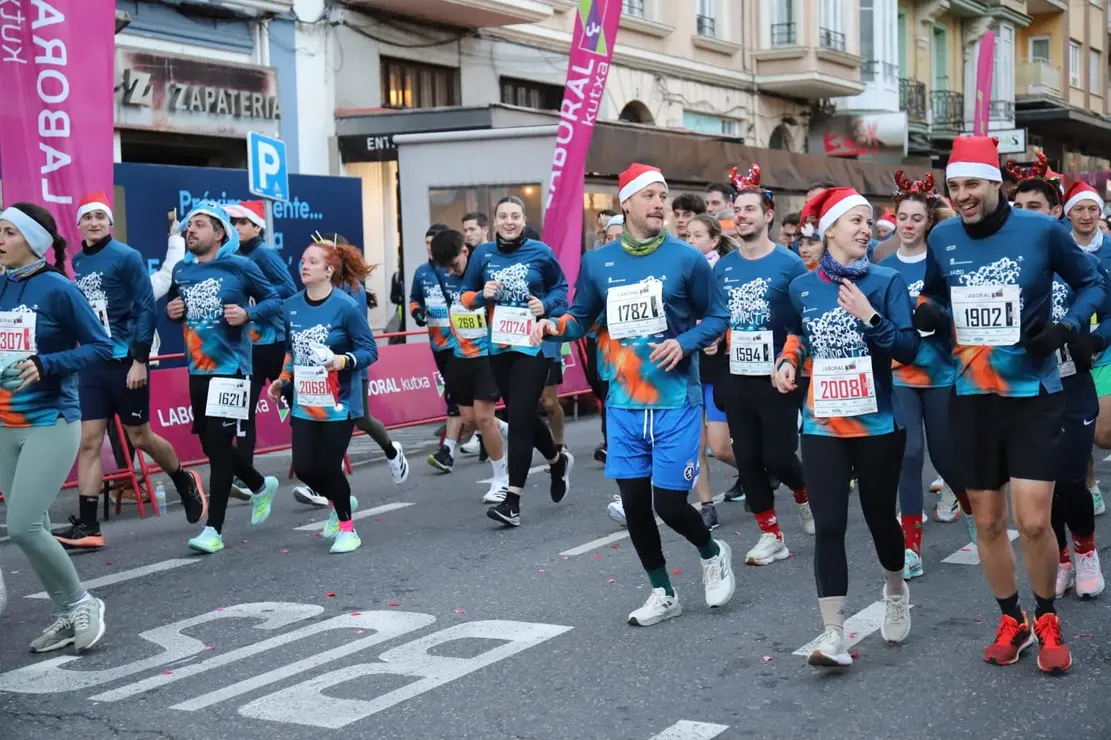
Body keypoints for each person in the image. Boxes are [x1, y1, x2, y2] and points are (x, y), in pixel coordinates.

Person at [916, 136, 1105, 673]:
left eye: (972, 184)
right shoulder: (943, 236)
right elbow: (932, 294)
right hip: (971, 395)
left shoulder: (1041, 230)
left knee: (1036, 521)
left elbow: (1092, 284)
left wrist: (1066, 328)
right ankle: (1012, 620)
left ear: (996, 184)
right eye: (954, 186)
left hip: (1032, 395)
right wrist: (928, 312)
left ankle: (1046, 616)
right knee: (988, 522)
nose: (962, 195)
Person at [533, 162, 735, 625]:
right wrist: (555, 326)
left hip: (675, 402)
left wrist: (685, 342)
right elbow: (581, 317)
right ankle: (663, 592)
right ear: (626, 203)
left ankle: (711, 552)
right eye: (650, 196)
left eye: (663, 196)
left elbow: (718, 316)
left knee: (669, 503)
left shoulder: (686, 259)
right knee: (636, 506)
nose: (660, 204)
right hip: (623, 405)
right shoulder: (597, 263)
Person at [773, 187, 918, 667]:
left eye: (868, 221)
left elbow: (909, 349)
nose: (864, 228)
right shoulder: (803, 286)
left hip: (878, 424)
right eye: (855, 220)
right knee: (830, 524)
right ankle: (833, 633)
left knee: (879, 518)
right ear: (830, 229)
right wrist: (788, 361)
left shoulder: (887, 280)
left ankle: (895, 590)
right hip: (822, 425)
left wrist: (869, 316)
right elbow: (797, 335)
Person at [57, 194, 205, 551]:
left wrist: (140, 359)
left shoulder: (126, 256)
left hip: (126, 361)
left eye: (100, 217)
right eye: (87, 217)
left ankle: (183, 479)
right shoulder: (78, 261)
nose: (94, 223)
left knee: (140, 437)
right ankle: (88, 525)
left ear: (110, 223)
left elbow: (145, 308)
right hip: (93, 363)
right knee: (89, 441)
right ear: (78, 224)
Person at [0, 202, 114, 652]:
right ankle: (67, 613)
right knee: (35, 527)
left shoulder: (59, 289)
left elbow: (102, 347)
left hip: (52, 419)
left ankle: (84, 603)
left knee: (23, 525)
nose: (0, 240)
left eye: (8, 232)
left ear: (33, 240)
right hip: (5, 423)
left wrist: (46, 363)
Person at [1009, 166, 1107, 600]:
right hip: (1024, 388)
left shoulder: (1079, 262)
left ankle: (1085, 551)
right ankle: (1062, 557)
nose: (1026, 213)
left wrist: (1092, 339)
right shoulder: (1005, 263)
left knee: (1070, 478)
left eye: (1036, 206)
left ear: (1055, 212)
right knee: (1040, 485)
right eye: (1019, 206)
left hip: (1071, 384)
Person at [166, 201, 282, 554]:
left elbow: (275, 299)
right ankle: (259, 484)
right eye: (189, 225)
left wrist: (248, 313)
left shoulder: (240, 265)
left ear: (220, 234)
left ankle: (213, 530)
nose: (191, 230)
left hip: (232, 370)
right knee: (209, 443)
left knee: (218, 447)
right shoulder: (182, 271)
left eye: (199, 225)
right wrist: (173, 311)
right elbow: (176, 307)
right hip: (197, 368)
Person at [716, 165, 814, 567]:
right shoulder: (723, 267)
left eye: (750, 209)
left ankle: (804, 493)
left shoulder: (790, 265)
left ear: (768, 215)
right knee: (748, 457)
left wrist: (790, 359)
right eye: (737, 209)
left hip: (778, 375)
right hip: (737, 374)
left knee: (778, 455)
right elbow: (718, 317)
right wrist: (713, 339)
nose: (741, 216)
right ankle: (771, 535)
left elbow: (804, 323)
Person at [878, 174, 970, 580]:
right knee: (909, 454)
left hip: (941, 373)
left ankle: (974, 511)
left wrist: (939, 315)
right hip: (900, 375)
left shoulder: (943, 262)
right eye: (902, 217)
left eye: (917, 218)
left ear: (929, 222)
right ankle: (910, 547)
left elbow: (960, 315)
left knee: (947, 457)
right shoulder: (884, 266)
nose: (908, 224)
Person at [460, 197, 572, 526]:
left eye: (515, 216)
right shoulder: (482, 255)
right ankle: (556, 460)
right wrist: (481, 296)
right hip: (499, 347)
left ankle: (512, 501)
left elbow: (562, 290)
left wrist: (545, 306)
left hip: (535, 347)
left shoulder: (541, 252)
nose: (509, 221)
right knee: (522, 414)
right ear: (495, 222)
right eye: (503, 216)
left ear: (524, 220)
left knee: (519, 417)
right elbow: (465, 296)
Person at [267, 238, 376, 553]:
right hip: (304, 402)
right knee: (304, 469)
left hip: (338, 403)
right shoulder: (291, 306)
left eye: (313, 261)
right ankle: (340, 498)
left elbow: (369, 350)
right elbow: (292, 351)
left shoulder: (346, 306)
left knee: (328, 467)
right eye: (303, 260)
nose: (304, 266)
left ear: (329, 270)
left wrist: (341, 361)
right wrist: (282, 380)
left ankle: (347, 529)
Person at [290, 233, 409, 507]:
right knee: (320, 423)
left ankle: (391, 450)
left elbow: (358, 337)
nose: (308, 264)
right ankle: (323, 485)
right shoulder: (310, 291)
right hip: (316, 373)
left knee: (361, 418)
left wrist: (343, 359)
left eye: (318, 257)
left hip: (349, 364)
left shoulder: (352, 290)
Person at [222, 201, 297, 501]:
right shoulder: (232, 256)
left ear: (257, 227)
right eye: (233, 223)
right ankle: (247, 476)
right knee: (243, 413)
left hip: (275, 343)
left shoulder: (264, 253)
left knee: (297, 407)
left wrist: (255, 298)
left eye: (242, 222)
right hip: (248, 348)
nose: (237, 227)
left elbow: (289, 288)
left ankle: (318, 464)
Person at [429, 229, 511, 503]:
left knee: (484, 418)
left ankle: (501, 479)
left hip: (487, 354)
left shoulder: (484, 271)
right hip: (459, 354)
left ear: (465, 251)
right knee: (470, 420)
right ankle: (509, 430)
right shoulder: (443, 275)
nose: (451, 272)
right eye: (446, 268)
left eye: (455, 265)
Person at [412, 224, 468, 473]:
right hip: (437, 342)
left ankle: (447, 450)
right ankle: (489, 433)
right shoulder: (422, 272)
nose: (430, 249)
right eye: (426, 244)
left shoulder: (456, 267)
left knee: (455, 395)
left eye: (433, 244)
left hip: (460, 341)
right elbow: (414, 299)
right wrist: (416, 312)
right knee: (460, 397)